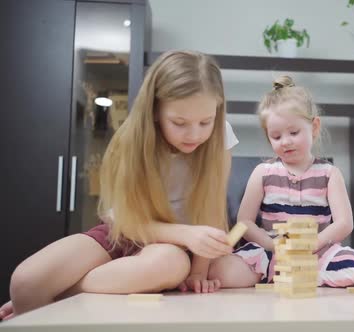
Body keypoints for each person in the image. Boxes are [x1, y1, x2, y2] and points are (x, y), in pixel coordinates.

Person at [0, 50, 238, 320]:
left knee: (169, 263)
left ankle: (64, 294)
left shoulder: (220, 138)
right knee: (25, 282)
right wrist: (186, 234)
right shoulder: (131, 140)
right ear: (156, 111)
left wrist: (198, 271)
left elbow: (210, 207)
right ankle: (64, 291)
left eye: (205, 121)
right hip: (124, 231)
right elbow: (126, 222)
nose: (195, 134)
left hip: (170, 251)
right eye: (179, 123)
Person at [207, 75, 354, 288]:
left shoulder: (329, 173)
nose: (286, 141)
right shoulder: (262, 172)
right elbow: (245, 221)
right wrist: (271, 245)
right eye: (276, 136)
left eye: (294, 132)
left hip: (317, 253)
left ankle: (309, 274)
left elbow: (344, 223)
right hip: (272, 253)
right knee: (220, 271)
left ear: (315, 127)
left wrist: (313, 244)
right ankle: (289, 275)